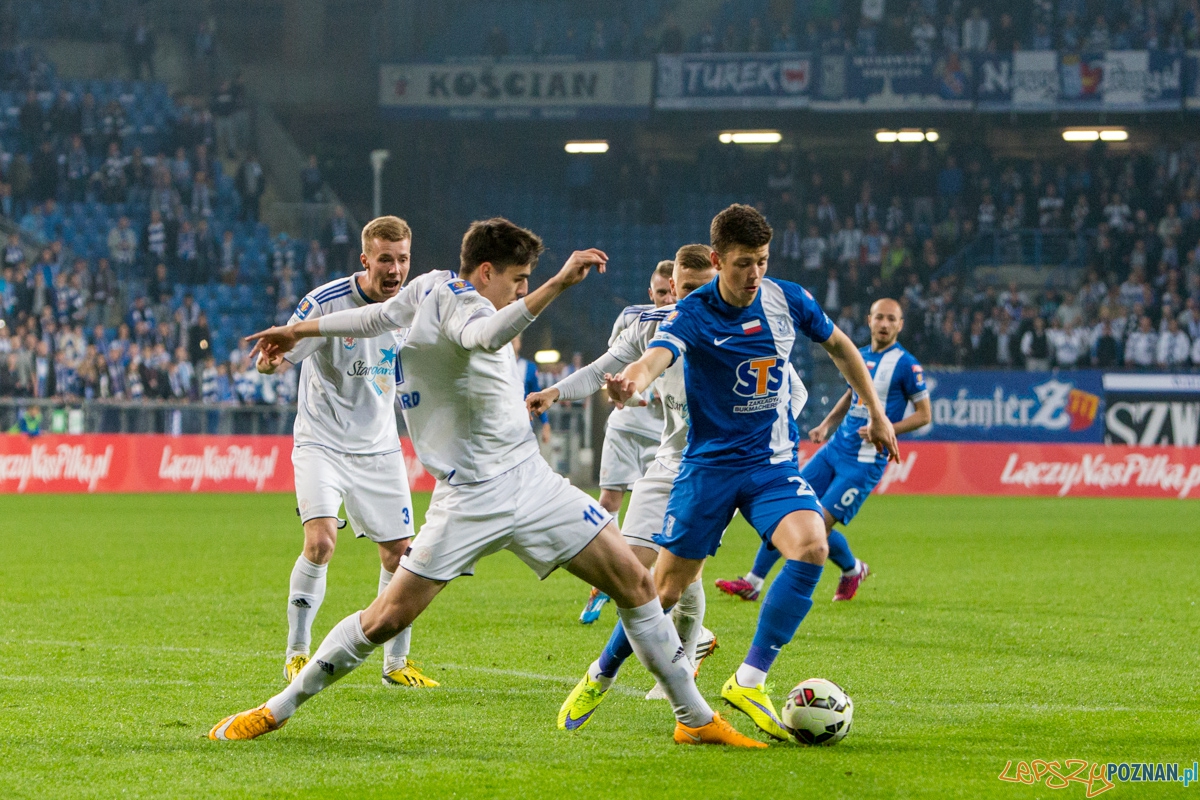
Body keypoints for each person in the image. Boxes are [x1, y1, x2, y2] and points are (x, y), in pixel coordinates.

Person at [212, 218, 760, 749]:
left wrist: (297, 329)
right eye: (517, 279)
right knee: (386, 618)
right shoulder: (463, 303)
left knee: (635, 585)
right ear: (485, 271)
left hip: (531, 481)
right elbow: (482, 333)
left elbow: (372, 319)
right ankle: (276, 709)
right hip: (469, 496)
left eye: (528, 279)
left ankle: (694, 718)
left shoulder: (425, 288)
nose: (521, 289)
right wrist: (556, 284)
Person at [558, 205, 897, 743]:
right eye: (743, 264)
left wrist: (878, 414)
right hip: (708, 466)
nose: (754, 274)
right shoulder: (691, 311)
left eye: (762, 261)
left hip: (769, 465)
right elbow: (659, 356)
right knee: (660, 593)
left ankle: (750, 679)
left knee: (811, 546)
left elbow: (841, 347)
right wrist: (632, 380)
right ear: (717, 261)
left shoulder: (788, 299)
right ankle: (602, 672)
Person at [527, 243, 809, 702]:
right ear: (669, 287)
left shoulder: (745, 327)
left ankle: (679, 666)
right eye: (680, 290)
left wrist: (768, 439)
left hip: (722, 466)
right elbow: (602, 370)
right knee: (634, 570)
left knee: (677, 573)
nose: (685, 299)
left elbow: (792, 392)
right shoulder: (650, 329)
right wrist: (555, 392)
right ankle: (687, 647)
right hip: (669, 462)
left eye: (698, 289)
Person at [252, 215, 437, 688]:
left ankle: (395, 664)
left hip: (379, 448)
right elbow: (280, 354)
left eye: (403, 260)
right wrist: (270, 363)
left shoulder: (415, 308)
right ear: (365, 260)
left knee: (401, 556)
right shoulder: (325, 303)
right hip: (322, 442)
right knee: (320, 543)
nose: (395, 270)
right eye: (385, 260)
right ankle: (296, 652)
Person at [716, 298, 930, 604]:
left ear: (900, 324)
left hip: (865, 461)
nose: (884, 324)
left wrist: (885, 428)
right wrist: (827, 424)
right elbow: (851, 394)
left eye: (891, 319)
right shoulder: (861, 355)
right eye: (879, 317)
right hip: (834, 450)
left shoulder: (907, 365)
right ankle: (764, 580)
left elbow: (925, 415)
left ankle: (842, 570)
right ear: (869, 320)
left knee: (815, 524)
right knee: (791, 510)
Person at [578, 260, 674, 624]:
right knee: (608, 501)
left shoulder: (691, 322)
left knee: (658, 521)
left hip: (662, 433)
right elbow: (615, 365)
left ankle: (640, 581)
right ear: (651, 294)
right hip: (625, 424)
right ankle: (602, 578)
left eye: (672, 290)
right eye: (660, 292)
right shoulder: (633, 319)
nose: (667, 298)